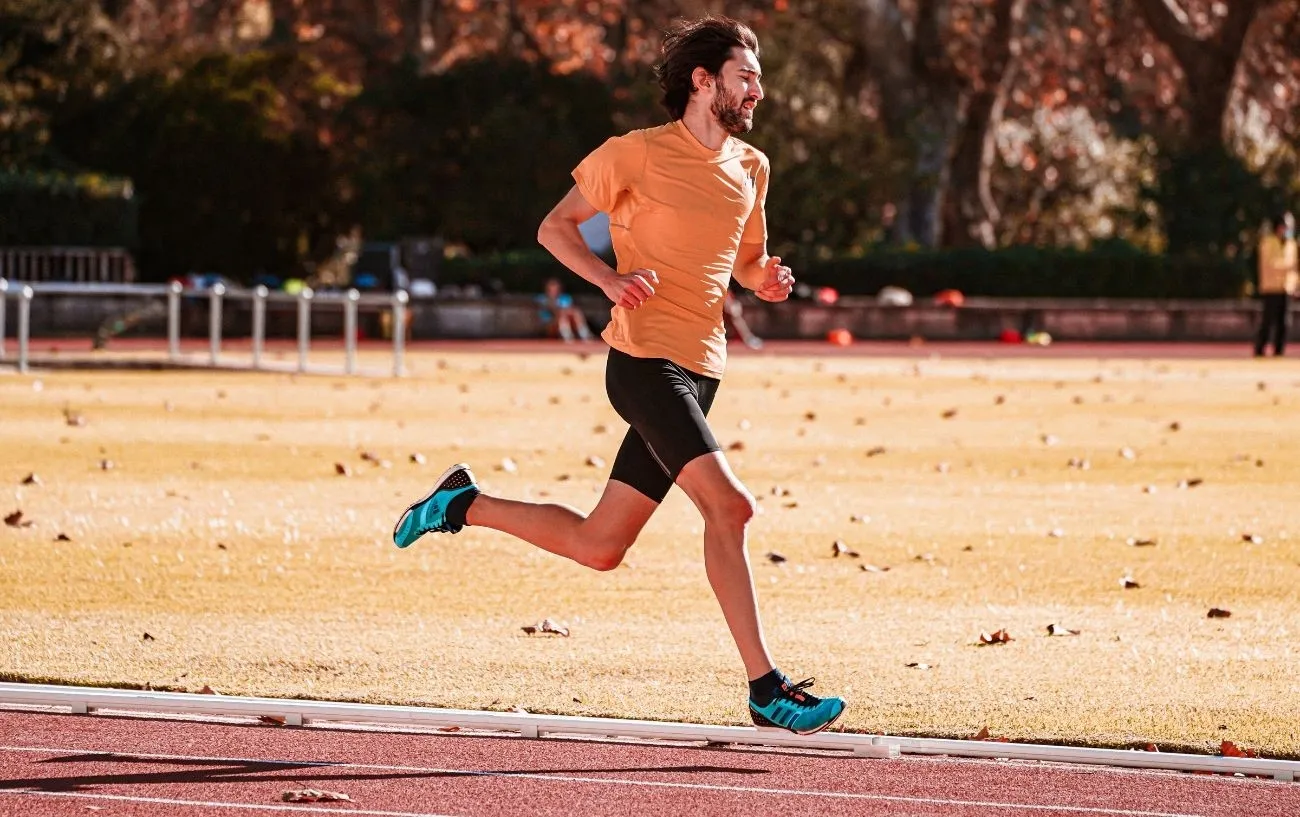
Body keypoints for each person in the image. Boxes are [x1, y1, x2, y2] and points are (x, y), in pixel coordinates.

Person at [392, 16, 845, 736]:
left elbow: (748, 260)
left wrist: (768, 280)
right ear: (705, 81)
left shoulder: (752, 167)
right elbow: (555, 227)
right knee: (732, 509)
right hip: (642, 362)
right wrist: (608, 279)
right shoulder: (633, 155)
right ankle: (766, 688)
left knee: (601, 546)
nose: (758, 89)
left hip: (703, 370)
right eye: (746, 75)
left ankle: (461, 504)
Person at [1255, 211, 1297, 357]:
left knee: (1284, 323)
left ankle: (1279, 352)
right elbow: (1270, 264)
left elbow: (1295, 269)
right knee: (1268, 322)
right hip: (1271, 288)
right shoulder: (1268, 242)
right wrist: (1288, 266)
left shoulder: (1291, 244)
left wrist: (1296, 284)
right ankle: (1260, 350)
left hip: (1286, 288)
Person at [536, 276, 594, 341]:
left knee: (575, 312)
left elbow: (570, 309)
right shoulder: (542, 299)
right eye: (552, 289)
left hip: (566, 322)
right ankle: (568, 336)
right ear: (547, 289)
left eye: (556, 289)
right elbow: (550, 311)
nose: (554, 291)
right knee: (563, 315)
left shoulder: (565, 298)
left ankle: (584, 334)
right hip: (549, 325)